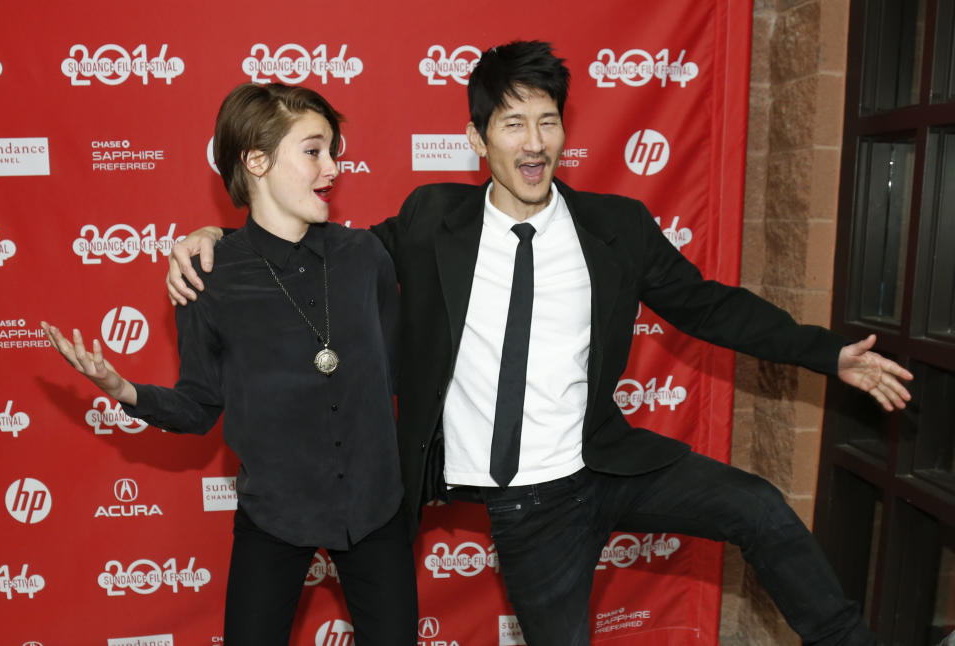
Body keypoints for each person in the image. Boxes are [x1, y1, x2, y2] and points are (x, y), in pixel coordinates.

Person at [167, 43, 912, 646]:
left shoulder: (615, 227)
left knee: (759, 508)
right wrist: (214, 241)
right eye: (514, 123)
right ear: (477, 139)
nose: (535, 142)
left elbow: (707, 307)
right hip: (529, 509)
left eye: (548, 121)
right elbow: (312, 251)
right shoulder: (431, 222)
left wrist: (827, 353)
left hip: (603, 463)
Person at [42, 82, 417, 646]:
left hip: (375, 509)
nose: (333, 167)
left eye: (333, 151)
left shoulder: (365, 257)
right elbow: (198, 407)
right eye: (314, 151)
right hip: (275, 515)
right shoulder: (207, 276)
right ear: (257, 161)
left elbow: (401, 372)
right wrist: (123, 389)